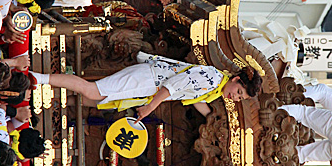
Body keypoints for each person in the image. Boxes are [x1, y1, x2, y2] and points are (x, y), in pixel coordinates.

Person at [31, 54, 263, 118]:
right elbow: (172, 87)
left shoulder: (215, 89)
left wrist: (212, 117)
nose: (235, 97)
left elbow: (196, 101)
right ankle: (40, 79)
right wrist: (151, 107)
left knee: (95, 99)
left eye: (240, 98)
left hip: (148, 87)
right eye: (239, 92)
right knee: (92, 90)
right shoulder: (212, 78)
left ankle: (48, 98)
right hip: (149, 80)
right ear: (236, 79)